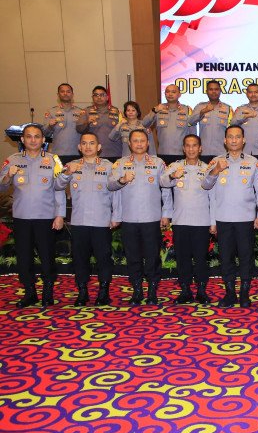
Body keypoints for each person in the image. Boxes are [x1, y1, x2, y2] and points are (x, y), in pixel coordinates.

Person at [202, 125, 258, 308]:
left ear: (243, 140)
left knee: (246, 257)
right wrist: (215, 171)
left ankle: (244, 293)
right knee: (226, 258)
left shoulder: (253, 162)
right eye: (230, 137)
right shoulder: (216, 161)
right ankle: (230, 293)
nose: (233, 140)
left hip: (246, 219)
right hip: (223, 218)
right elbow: (206, 186)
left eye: (237, 137)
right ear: (225, 140)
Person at [0, 124, 65, 307]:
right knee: (24, 257)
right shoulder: (12, 160)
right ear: (22, 139)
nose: (33, 140)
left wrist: (60, 215)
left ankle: (48, 292)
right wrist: (8, 176)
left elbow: (59, 189)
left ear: (43, 140)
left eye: (37, 136)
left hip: (46, 217)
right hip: (22, 217)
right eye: (29, 136)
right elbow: (2, 187)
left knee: (47, 256)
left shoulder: (54, 160)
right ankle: (30, 293)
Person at [55, 133, 121, 306]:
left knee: (103, 258)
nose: (88, 146)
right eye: (84, 143)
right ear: (79, 147)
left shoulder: (108, 166)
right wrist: (66, 174)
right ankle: (82, 292)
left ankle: (103, 292)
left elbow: (116, 192)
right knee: (80, 258)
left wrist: (116, 216)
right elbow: (58, 186)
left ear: (99, 147)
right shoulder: (71, 165)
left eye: (92, 143)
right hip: (79, 221)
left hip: (101, 221)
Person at [108, 130, 173, 305]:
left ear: (148, 143)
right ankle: (137, 290)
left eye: (142, 141)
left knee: (153, 257)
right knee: (133, 257)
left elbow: (166, 189)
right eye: (135, 141)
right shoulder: (120, 163)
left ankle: (152, 290)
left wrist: (166, 214)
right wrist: (122, 180)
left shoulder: (158, 163)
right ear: (129, 143)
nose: (139, 144)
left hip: (151, 218)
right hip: (129, 218)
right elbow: (111, 187)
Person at [160, 134, 215, 305]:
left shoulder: (208, 169)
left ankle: (201, 291)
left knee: (201, 259)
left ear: (200, 148)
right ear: (183, 148)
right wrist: (172, 176)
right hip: (180, 221)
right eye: (188, 146)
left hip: (201, 222)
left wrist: (213, 222)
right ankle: (185, 291)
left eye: (195, 145)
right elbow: (162, 183)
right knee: (182, 259)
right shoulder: (175, 167)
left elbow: (213, 198)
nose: (191, 149)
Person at [143, 84, 194, 164]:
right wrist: (154, 110)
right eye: (167, 92)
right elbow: (144, 124)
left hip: (182, 154)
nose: (170, 94)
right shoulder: (158, 109)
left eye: (173, 92)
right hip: (163, 153)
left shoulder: (187, 110)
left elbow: (192, 133)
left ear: (179, 94)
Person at [231, 83, 258, 166]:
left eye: (256, 92)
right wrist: (245, 116)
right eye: (250, 92)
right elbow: (232, 125)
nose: (253, 94)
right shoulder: (240, 109)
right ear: (246, 94)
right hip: (243, 151)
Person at [190, 80, 234, 163]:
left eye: (216, 89)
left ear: (220, 91)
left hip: (221, 152)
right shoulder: (200, 106)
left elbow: (232, 129)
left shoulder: (228, 108)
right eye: (211, 89)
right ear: (206, 91)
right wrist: (202, 112)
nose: (214, 92)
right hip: (203, 152)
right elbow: (191, 122)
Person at [76, 86, 123, 161]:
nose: (99, 97)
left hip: (114, 152)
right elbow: (79, 129)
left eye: (102, 95)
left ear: (107, 97)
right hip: (93, 154)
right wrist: (87, 122)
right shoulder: (86, 111)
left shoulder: (117, 111)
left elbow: (123, 130)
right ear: (92, 97)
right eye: (96, 95)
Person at [43, 83, 84, 164]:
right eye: (62, 91)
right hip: (58, 154)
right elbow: (45, 134)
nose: (65, 93)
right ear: (58, 94)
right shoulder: (51, 112)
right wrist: (50, 126)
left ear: (72, 94)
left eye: (68, 91)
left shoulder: (81, 112)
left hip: (77, 153)